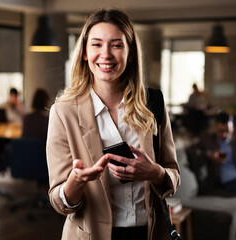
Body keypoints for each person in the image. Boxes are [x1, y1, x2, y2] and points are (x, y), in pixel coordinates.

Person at [46, 9, 180, 240]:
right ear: (85, 53)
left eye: (116, 45)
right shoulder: (63, 112)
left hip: (149, 232)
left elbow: (173, 175)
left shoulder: (153, 103)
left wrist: (155, 172)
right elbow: (59, 201)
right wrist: (75, 182)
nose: (105, 55)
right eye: (96, 45)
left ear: (130, 53)